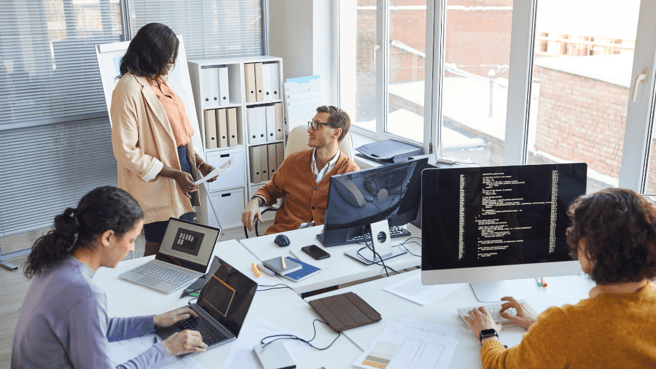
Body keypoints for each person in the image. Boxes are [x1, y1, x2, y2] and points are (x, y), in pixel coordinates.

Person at [12, 186, 207, 369]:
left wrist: (154, 321)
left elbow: (97, 325)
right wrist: (166, 349)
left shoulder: (57, 263)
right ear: (107, 237)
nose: (132, 248)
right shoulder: (83, 291)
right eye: (131, 240)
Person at [464, 188, 656, 368]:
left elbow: (502, 365)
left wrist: (487, 333)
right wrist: (539, 327)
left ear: (589, 252)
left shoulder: (566, 324)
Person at [111, 23, 217, 256]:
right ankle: (150, 289)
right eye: (168, 55)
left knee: (182, 242)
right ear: (151, 52)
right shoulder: (127, 88)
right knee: (159, 245)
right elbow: (125, 150)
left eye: (174, 55)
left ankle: (176, 285)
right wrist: (173, 174)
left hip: (182, 173)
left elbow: (180, 133)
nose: (172, 60)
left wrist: (199, 163)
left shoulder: (162, 82)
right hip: (158, 180)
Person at [242, 105, 359, 235]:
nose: (309, 130)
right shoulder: (293, 161)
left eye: (317, 125)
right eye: (311, 124)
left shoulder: (350, 171)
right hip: (285, 234)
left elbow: (356, 212)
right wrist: (254, 202)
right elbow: (270, 189)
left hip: (323, 239)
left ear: (336, 133)